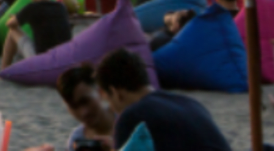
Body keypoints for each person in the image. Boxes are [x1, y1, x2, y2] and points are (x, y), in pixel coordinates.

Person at [96, 47, 230, 150]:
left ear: (115, 92)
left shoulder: (132, 116)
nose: (112, 108)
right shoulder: (190, 103)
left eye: (108, 100)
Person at [0, 0, 72, 67]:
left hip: (42, 60)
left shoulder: (32, 8)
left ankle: (4, 69)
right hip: (64, 58)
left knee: (12, 31)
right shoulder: (61, 7)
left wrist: (15, 17)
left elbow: (10, 24)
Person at [45, 62, 117, 151]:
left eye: (86, 101)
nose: (83, 112)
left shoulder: (128, 120)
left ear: (100, 91)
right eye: (74, 106)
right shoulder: (76, 139)